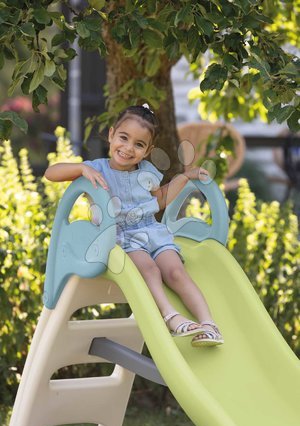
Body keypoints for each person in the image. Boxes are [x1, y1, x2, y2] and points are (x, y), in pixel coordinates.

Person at [45, 104, 224, 347]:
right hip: (119, 237)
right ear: (111, 135)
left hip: (152, 230)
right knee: (149, 270)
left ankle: (209, 324)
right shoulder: (96, 168)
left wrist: (183, 177)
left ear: (148, 150)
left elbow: (158, 200)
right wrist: (80, 168)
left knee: (175, 272)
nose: (128, 148)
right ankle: (171, 316)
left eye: (139, 144)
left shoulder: (147, 171)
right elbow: (51, 173)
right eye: (123, 138)